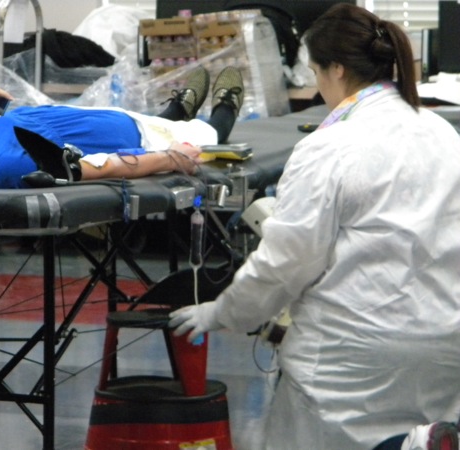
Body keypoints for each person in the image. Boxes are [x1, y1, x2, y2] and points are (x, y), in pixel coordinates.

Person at [169, 4, 460, 450]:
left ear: (337, 69)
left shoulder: (330, 147)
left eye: (316, 73)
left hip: (353, 358)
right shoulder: (445, 135)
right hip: (445, 347)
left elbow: (286, 263)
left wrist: (220, 313)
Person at [0, 65, 244, 188]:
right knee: (207, 136)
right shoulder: (0, 167)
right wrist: (167, 159)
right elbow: (95, 168)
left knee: (159, 120)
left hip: (90, 117)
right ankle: (222, 110)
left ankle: (175, 109)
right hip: (122, 139)